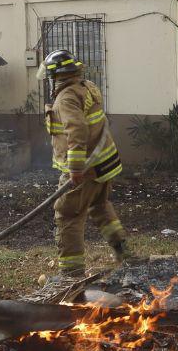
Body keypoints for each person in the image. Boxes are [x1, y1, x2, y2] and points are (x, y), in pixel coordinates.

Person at [42, 49, 127, 280]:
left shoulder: (66, 98)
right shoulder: (87, 87)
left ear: (56, 76)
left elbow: (77, 131)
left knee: (67, 215)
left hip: (86, 170)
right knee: (99, 205)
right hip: (104, 165)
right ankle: (124, 252)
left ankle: (71, 275)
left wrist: (76, 168)